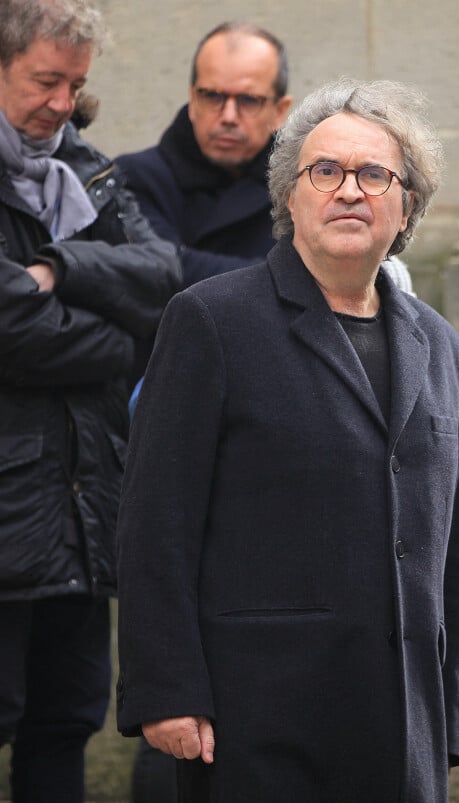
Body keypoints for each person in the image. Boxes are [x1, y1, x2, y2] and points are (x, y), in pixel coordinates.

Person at [116, 78, 459, 803]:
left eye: (375, 174)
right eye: (326, 171)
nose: (350, 189)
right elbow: (156, 522)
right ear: (290, 196)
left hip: (403, 725)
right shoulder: (211, 321)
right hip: (261, 720)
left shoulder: (442, 345)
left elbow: (452, 549)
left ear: (406, 206)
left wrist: (450, 716)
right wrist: (166, 688)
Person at [0, 1, 181, 801]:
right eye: (46, 80)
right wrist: (121, 340)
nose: (62, 104)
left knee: (66, 719)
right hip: (7, 507)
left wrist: (61, 272)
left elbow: (164, 278)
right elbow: (9, 327)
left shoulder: (91, 172)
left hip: (87, 509)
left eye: (76, 84)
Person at [115, 21, 292, 290]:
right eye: (212, 96)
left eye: (248, 100)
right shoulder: (134, 177)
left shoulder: (299, 189)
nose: (229, 116)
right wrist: (274, 277)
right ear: (192, 100)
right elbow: (150, 279)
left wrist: (184, 262)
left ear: (280, 110)